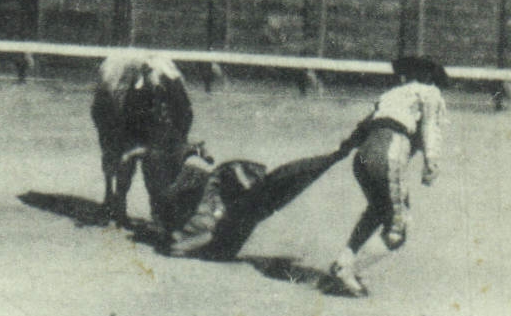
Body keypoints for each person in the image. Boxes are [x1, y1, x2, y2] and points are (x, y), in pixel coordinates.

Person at [329, 56, 449, 297]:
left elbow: (360, 130)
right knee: (398, 228)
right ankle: (346, 271)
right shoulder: (430, 93)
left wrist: (341, 150)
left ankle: (344, 259)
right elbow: (430, 130)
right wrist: (431, 164)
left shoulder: (390, 96)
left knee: (377, 209)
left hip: (362, 159)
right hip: (389, 154)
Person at [132, 141, 349, 260]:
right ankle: (330, 159)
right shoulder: (189, 206)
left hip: (220, 219)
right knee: (273, 188)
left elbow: (178, 245)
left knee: (271, 188)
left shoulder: (182, 201)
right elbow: (187, 243)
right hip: (224, 228)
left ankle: (330, 159)